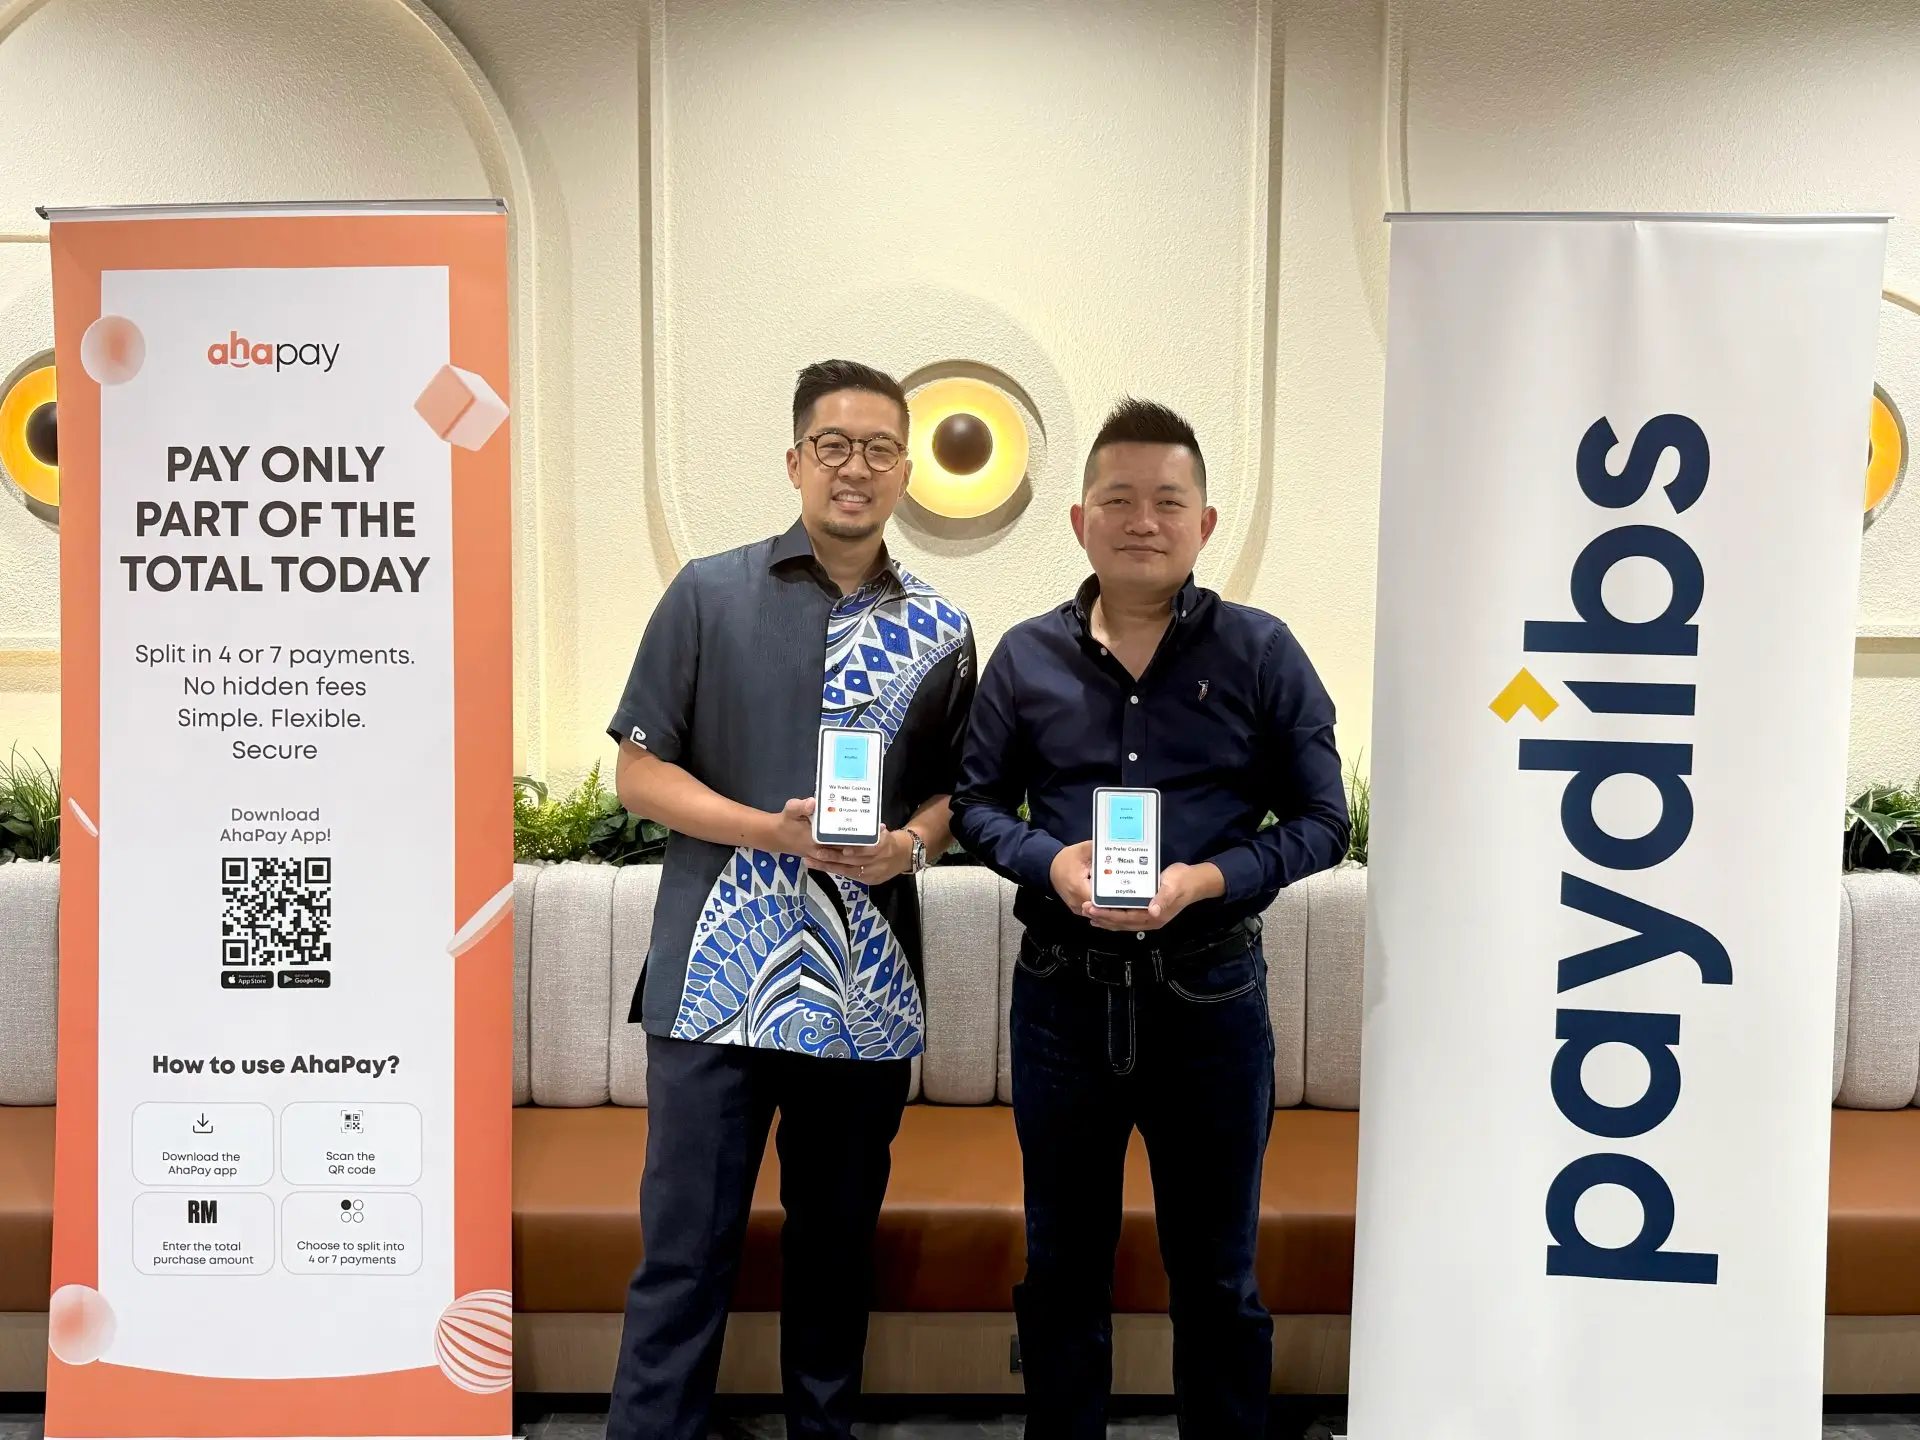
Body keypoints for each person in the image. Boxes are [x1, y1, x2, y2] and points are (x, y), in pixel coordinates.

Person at [950, 398, 1349, 1438]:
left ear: (1204, 523)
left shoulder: (1262, 652)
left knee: (1217, 1276)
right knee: (1062, 1269)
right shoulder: (1025, 658)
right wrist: (1050, 862)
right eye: (1119, 500)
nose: (1143, 521)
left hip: (1210, 997)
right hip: (1062, 999)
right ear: (1080, 520)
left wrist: (1207, 878)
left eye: (1168, 502)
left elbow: (1324, 823)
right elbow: (977, 805)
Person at [604, 359, 976, 1440]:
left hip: (863, 991)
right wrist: (768, 830)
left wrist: (908, 846)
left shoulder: (945, 628)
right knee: (684, 1254)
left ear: (905, 471)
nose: (855, 468)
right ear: (795, 461)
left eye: (879, 448)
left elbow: (959, 795)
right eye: (833, 445)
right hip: (715, 987)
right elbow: (639, 775)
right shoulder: (706, 592)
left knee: (834, 1257)